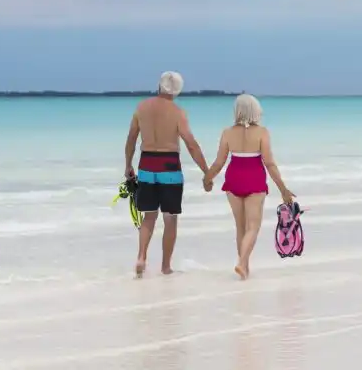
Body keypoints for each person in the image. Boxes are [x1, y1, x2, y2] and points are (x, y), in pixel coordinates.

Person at [123, 71, 210, 278]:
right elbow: (191, 144)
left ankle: (141, 257)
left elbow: (131, 140)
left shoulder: (141, 108)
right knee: (170, 219)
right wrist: (206, 172)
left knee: (149, 216)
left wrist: (128, 165)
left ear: (159, 86)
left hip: (146, 164)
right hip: (169, 166)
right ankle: (165, 266)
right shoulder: (178, 112)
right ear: (177, 91)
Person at [203, 93, 296, 280]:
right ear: (256, 111)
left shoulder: (227, 132)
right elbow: (269, 163)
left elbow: (219, 162)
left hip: (234, 178)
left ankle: (244, 267)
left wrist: (208, 178)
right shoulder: (262, 132)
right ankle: (241, 262)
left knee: (240, 227)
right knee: (253, 226)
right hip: (254, 179)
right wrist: (283, 189)